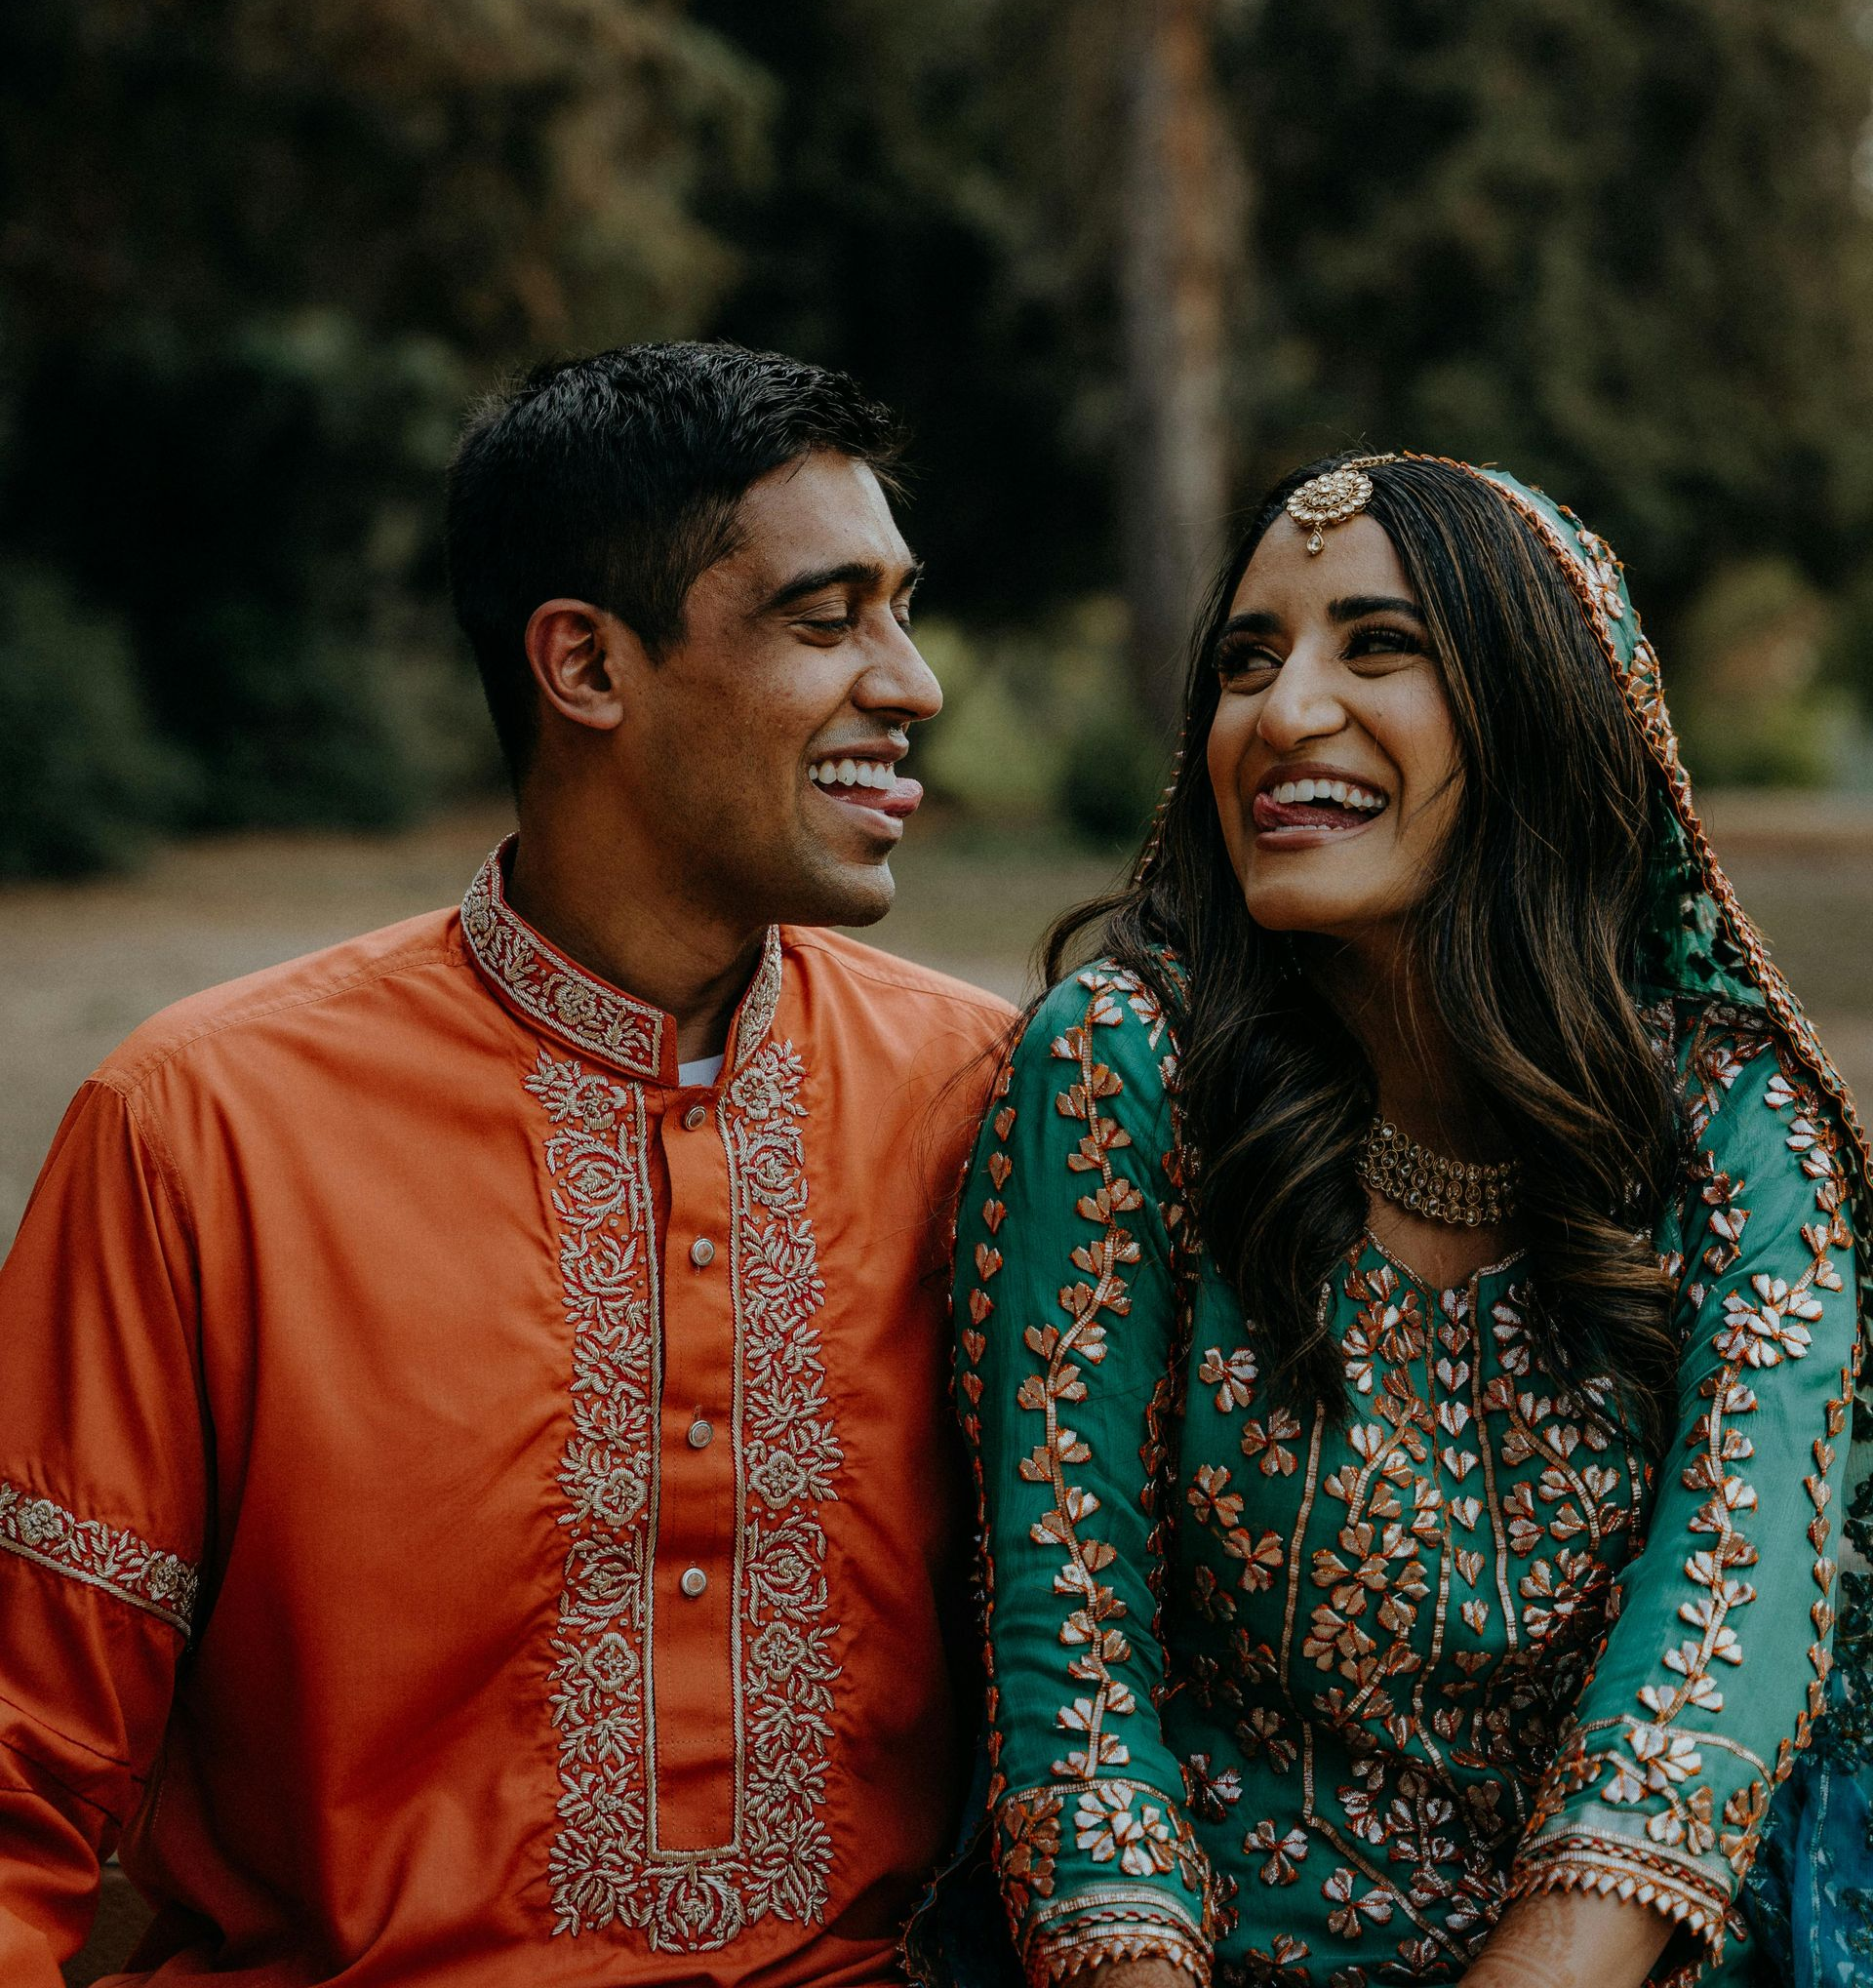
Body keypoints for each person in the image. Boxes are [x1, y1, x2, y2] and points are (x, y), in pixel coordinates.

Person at [0, 342, 1013, 1987]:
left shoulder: (982, 1100)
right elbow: (20, 1760)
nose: (910, 684)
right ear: (585, 666)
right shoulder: (205, 1130)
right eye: (828, 622)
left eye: (901, 610)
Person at [936, 454, 1870, 1987]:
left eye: (1379, 646)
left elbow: (1725, 1646)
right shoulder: (1123, 1069)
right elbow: (1075, 1672)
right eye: (1247, 658)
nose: (1283, 712)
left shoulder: (1733, 1124)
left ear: (1538, 716)